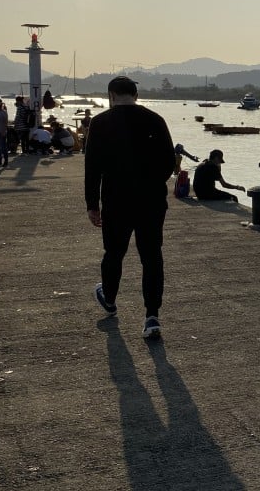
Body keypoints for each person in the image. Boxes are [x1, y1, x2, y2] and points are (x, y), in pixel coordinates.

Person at [86, 76, 175, 339]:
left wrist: (93, 205)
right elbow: (169, 163)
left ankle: (110, 299)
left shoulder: (100, 123)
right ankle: (151, 316)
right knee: (151, 256)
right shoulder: (155, 120)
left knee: (114, 253)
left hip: (116, 201)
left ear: (111, 95)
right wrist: (150, 183)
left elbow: (92, 169)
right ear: (135, 95)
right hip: (151, 201)